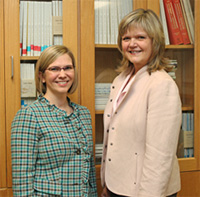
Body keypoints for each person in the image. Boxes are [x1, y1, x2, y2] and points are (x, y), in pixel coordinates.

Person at [101, 9, 181, 197]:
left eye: (140, 37)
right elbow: (112, 137)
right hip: (118, 186)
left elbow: (160, 156)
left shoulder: (162, 85)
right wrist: (107, 183)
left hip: (145, 191)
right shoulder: (121, 80)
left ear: (155, 41)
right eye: (126, 38)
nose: (132, 44)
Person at [11, 45, 97, 196]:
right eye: (55, 69)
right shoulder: (29, 116)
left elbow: (89, 173)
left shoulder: (84, 114)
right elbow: (22, 183)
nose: (62, 74)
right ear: (42, 76)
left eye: (67, 68)